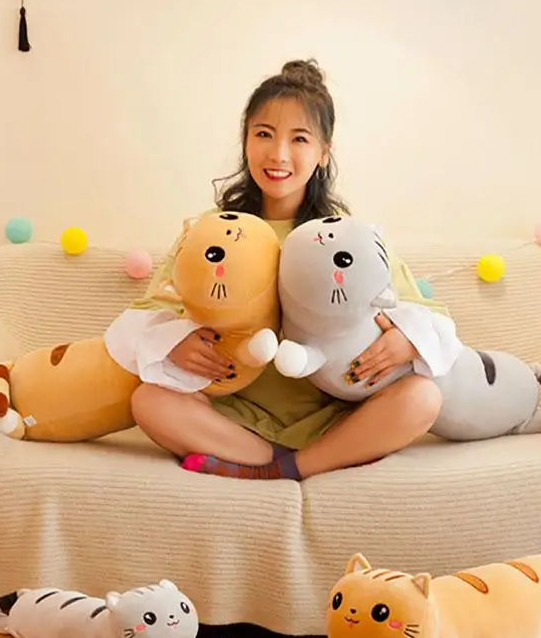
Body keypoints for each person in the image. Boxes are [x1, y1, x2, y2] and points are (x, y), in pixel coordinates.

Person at [109, 59, 461, 481]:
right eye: (263, 134)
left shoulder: (349, 238)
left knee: (422, 397)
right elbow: (147, 313)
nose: (278, 154)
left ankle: (289, 467)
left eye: (299, 139)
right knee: (149, 401)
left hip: (337, 416)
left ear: (324, 152)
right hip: (231, 414)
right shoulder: (208, 232)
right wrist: (174, 343)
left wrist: (406, 341)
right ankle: (272, 460)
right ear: (245, 140)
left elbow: (431, 317)